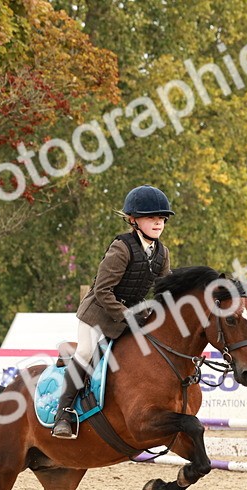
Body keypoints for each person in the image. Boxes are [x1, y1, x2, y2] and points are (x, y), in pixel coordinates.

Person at [52, 185, 173, 439]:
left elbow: (164, 288)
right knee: (86, 352)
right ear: (133, 220)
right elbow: (103, 291)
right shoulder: (122, 248)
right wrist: (129, 316)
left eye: (161, 218)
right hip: (97, 312)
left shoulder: (162, 253)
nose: (158, 223)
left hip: (130, 314)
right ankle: (62, 414)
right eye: (152, 217)